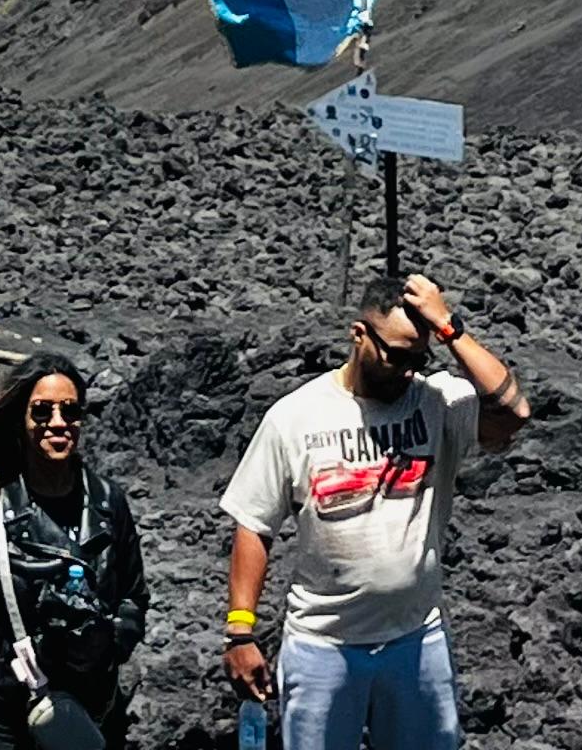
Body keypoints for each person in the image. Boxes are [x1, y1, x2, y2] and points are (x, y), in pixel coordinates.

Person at [221, 267, 528, 750]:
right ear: (359, 335)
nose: (407, 370)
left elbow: (513, 412)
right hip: (323, 644)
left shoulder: (436, 402)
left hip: (416, 638)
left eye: (418, 358)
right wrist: (240, 632)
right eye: (395, 355)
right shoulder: (295, 416)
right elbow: (254, 524)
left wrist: (449, 327)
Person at [0, 352, 149, 747]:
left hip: (87, 713)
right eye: (43, 411)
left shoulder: (108, 503)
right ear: (21, 419)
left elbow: (134, 593)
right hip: (0, 715)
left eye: (70, 410)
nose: (58, 422)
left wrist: (108, 640)